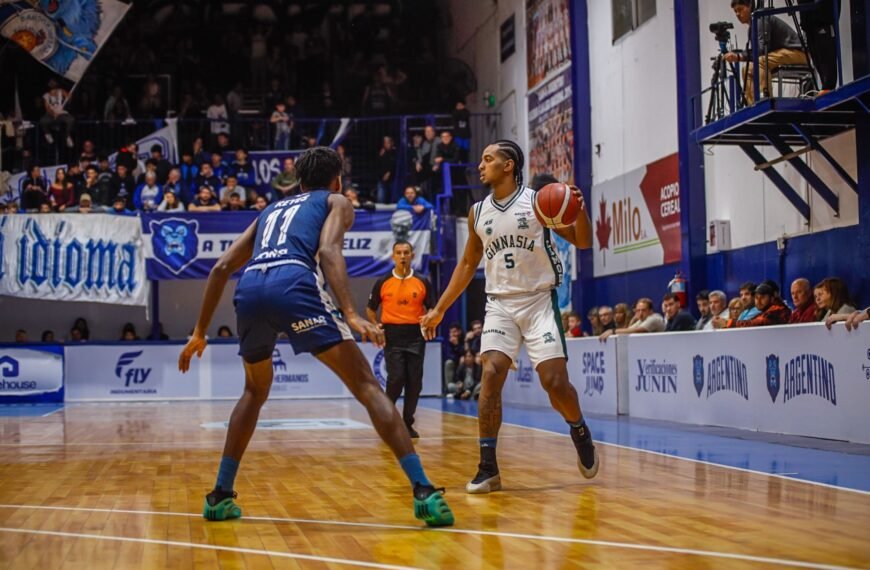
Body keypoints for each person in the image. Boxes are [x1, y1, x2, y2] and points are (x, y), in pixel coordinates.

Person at [178, 146, 453, 526]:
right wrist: (352, 313)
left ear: (298, 181)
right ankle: (423, 489)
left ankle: (220, 495)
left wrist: (199, 332)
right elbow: (327, 250)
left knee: (254, 391)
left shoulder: (271, 209)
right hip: (294, 282)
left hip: (251, 287)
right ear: (336, 180)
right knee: (368, 387)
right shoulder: (336, 200)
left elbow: (222, 267)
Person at [420, 139, 599, 494]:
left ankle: (579, 429)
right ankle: (488, 467)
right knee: (490, 372)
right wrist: (439, 308)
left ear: (508, 166)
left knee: (554, 383)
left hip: (538, 301)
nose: (480, 165)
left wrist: (578, 208)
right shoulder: (476, 212)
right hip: (499, 303)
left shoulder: (538, 202)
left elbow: (583, 241)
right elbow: (469, 264)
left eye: (488, 159)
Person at [366, 241, 434, 439]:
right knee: (396, 379)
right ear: (393, 257)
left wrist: (429, 319)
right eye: (399, 253)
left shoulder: (422, 281)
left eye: (406, 253)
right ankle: (387, 421)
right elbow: (371, 309)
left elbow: (432, 307)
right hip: (392, 335)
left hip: (415, 335)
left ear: (412, 255)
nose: (402, 256)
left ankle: (407, 423)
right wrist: (375, 324)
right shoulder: (383, 281)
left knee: (415, 383)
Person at [725, 0, 808, 104]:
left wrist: (739, 56)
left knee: (760, 61)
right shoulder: (753, 25)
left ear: (750, 6)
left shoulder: (760, 19)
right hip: (785, 52)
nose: (738, 14)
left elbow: (760, 51)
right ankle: (752, 104)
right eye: (735, 11)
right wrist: (741, 56)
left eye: (740, 9)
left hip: (799, 53)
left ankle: (765, 98)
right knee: (746, 68)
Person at [599, 298, 666, 341]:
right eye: (638, 310)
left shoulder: (654, 318)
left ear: (650, 310)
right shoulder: (641, 320)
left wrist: (612, 331)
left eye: (643, 310)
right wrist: (633, 320)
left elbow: (638, 331)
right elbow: (628, 330)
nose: (640, 313)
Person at [40, 80, 75, 148]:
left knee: (70, 120)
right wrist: (53, 114)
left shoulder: (61, 91)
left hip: (62, 113)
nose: (54, 91)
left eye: (55, 88)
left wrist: (69, 95)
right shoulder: (46, 96)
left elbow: (69, 98)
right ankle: (47, 134)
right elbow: (47, 108)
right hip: (51, 114)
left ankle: (67, 136)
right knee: (43, 121)